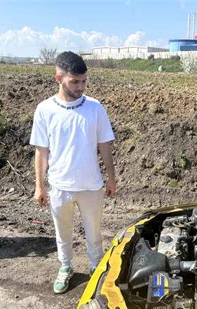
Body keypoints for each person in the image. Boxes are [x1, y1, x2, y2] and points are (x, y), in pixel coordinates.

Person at [30, 51, 116, 294]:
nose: (80, 87)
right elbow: (41, 151)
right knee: (63, 232)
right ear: (59, 78)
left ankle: (96, 267)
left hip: (91, 186)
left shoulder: (95, 108)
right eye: (74, 82)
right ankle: (66, 267)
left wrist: (111, 177)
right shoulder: (45, 110)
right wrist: (40, 185)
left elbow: (104, 145)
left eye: (84, 81)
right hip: (59, 186)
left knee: (94, 232)